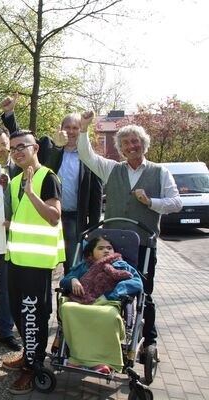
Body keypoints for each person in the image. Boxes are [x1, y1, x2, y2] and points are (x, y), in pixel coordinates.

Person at [77, 114, 182, 358]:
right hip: (112, 247)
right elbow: (87, 155)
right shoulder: (112, 169)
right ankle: (110, 334)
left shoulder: (159, 172)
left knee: (143, 292)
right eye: (126, 143)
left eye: (135, 141)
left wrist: (151, 202)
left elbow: (176, 203)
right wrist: (84, 129)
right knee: (109, 289)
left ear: (143, 144)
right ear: (121, 149)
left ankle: (148, 341)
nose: (131, 146)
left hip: (144, 244)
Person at [2, 130, 64, 395]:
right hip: (16, 259)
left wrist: (31, 193)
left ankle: (33, 367)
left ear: (35, 148)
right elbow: (22, 219)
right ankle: (28, 354)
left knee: (32, 317)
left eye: (21, 147)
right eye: (13, 148)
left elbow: (53, 216)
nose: (16, 152)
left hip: (37, 263)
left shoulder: (46, 177)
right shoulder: (16, 181)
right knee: (18, 311)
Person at [59, 237, 143, 372]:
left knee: (108, 316)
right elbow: (65, 280)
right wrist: (73, 280)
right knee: (67, 308)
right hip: (84, 301)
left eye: (109, 248)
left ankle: (104, 361)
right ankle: (77, 358)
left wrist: (111, 294)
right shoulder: (84, 266)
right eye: (101, 248)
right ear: (91, 253)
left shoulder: (121, 265)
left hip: (109, 303)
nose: (106, 251)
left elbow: (136, 283)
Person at [48, 113, 102, 272]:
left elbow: (96, 197)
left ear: (81, 130)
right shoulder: (51, 151)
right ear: (61, 129)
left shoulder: (89, 158)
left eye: (75, 128)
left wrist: (92, 228)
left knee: (73, 265)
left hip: (73, 218)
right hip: (48, 216)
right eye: (67, 127)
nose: (71, 132)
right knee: (45, 262)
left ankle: (70, 295)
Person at [0, 126, 22, 352]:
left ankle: (6, 332)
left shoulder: (22, 169)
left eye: (3, 144)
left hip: (14, 235)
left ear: (10, 145)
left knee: (8, 287)